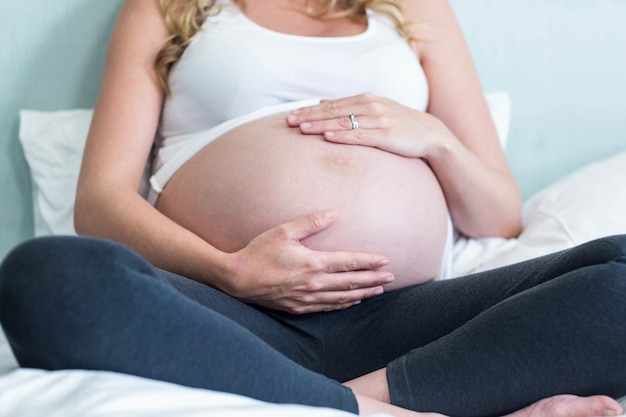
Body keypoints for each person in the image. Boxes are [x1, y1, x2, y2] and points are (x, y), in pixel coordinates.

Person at [0, 0, 624, 416]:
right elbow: (100, 202)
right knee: (47, 276)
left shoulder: (413, 9)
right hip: (230, 314)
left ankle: (353, 400)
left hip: (404, 321)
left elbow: (499, 218)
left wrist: (432, 137)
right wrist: (232, 270)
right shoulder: (170, 6)